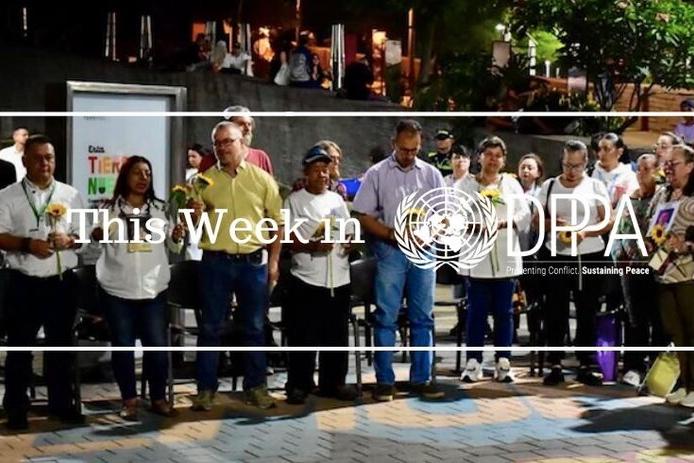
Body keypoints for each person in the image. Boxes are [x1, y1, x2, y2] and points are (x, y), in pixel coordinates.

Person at [190, 121, 283, 411]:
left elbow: (277, 223)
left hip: (252, 262)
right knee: (210, 327)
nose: (222, 148)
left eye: (227, 142)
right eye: (217, 143)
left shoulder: (262, 179)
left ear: (242, 142)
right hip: (215, 262)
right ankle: (205, 390)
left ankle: (256, 387)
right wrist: (193, 214)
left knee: (254, 326)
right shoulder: (202, 181)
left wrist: (274, 262)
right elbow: (193, 225)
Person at [352, 119, 445, 402]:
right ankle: (384, 381)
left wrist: (427, 235)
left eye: (414, 150)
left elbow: (444, 216)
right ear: (394, 143)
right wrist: (392, 234)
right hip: (390, 250)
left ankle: (421, 378)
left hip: (424, 251)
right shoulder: (377, 174)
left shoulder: (431, 174)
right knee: (386, 317)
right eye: (404, 150)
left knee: (422, 317)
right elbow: (363, 215)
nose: (409, 155)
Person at [0, 135, 86, 430]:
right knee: (20, 348)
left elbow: (84, 236)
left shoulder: (70, 194)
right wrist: (27, 244)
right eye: (37, 158)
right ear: (24, 161)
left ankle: (62, 405)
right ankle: (16, 408)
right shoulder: (8, 195)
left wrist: (70, 240)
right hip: (23, 282)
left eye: (49, 157)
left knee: (61, 346)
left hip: (61, 282)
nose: (44, 163)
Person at [91, 156, 184, 420]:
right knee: (123, 346)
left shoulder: (161, 209)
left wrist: (177, 236)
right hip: (118, 289)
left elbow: (174, 246)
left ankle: (158, 398)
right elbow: (95, 237)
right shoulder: (108, 208)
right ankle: (129, 401)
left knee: (156, 346)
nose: (143, 178)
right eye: (137, 173)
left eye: (147, 173)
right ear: (125, 176)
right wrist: (97, 234)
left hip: (153, 289)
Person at [283, 145, 358, 404]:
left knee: (336, 335)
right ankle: (299, 384)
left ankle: (334, 382)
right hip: (308, 277)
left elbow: (349, 229)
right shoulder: (294, 201)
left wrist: (351, 241)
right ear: (306, 172)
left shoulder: (337, 200)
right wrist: (311, 246)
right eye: (316, 170)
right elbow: (286, 238)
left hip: (338, 276)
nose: (322, 175)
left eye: (325, 170)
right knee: (303, 334)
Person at [535, 140, 613, 387]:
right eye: (567, 165)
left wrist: (585, 231)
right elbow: (537, 221)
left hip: (589, 254)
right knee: (555, 309)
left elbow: (608, 221)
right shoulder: (549, 186)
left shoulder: (595, 186)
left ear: (586, 163)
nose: (571, 171)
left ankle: (585, 363)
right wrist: (554, 225)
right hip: (557, 253)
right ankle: (555, 363)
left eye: (577, 166)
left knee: (586, 309)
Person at [457, 137, 530, 383]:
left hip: (505, 257)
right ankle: (473, 362)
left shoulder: (511, 184)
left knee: (504, 313)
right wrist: (474, 226)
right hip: (476, 261)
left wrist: (505, 223)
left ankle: (503, 362)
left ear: (504, 160)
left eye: (498, 156)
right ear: (479, 157)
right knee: (476, 314)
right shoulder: (466, 185)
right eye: (488, 154)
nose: (493, 160)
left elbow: (524, 214)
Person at [611, 154, 665, 387]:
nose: (641, 173)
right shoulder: (629, 199)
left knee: (659, 319)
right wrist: (619, 256)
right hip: (631, 268)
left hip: (656, 267)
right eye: (639, 169)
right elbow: (619, 232)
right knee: (635, 318)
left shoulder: (662, 199)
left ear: (657, 170)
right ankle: (634, 366)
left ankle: (657, 368)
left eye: (646, 169)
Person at [647, 144, 694, 407]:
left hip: (689, 275)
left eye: (673, 163)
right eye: (666, 164)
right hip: (664, 272)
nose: (668, 168)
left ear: (690, 166)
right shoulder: (662, 194)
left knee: (692, 331)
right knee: (676, 333)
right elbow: (652, 224)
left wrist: (686, 245)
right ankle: (686, 385)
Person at [222, 105, 274, 175]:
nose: (247, 129)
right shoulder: (211, 160)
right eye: (241, 124)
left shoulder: (261, 157)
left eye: (249, 124)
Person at [592, 133, 639, 208]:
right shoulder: (593, 172)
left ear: (620, 152)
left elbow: (630, 204)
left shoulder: (628, 176)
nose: (601, 153)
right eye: (600, 149)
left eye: (607, 149)